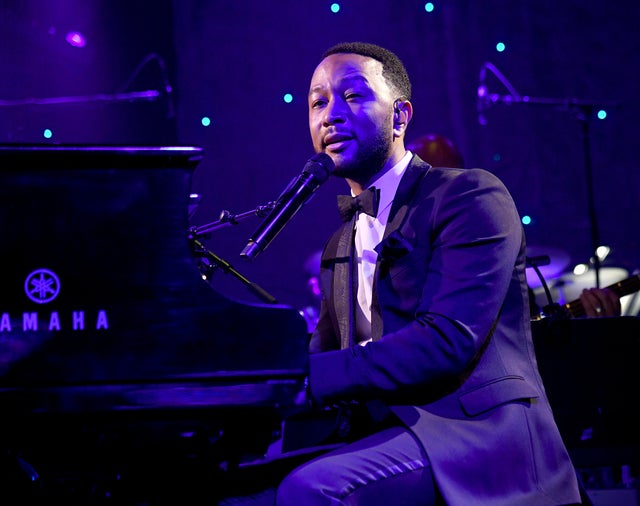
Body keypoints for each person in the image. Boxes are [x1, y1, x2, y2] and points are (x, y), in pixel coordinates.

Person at [251, 42, 585, 505]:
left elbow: (446, 340)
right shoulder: (339, 243)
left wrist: (306, 377)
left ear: (400, 116)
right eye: (317, 102)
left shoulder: (469, 195)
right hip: (384, 434)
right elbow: (322, 354)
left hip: (476, 439)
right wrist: (249, 385)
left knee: (314, 490)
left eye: (352, 97)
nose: (330, 115)